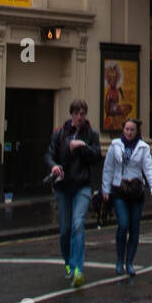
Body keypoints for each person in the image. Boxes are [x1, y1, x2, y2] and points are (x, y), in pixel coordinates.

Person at [46, 99, 101, 287]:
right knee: (65, 230)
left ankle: (78, 269)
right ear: (71, 114)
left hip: (82, 186)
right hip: (63, 187)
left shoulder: (91, 135)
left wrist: (82, 146)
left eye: (83, 113)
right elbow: (49, 155)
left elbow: (96, 157)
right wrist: (54, 166)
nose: (80, 117)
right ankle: (69, 265)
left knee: (78, 224)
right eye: (77, 113)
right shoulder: (60, 134)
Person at [101, 117, 152, 276]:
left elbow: (149, 169)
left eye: (132, 130)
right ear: (123, 130)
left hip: (136, 191)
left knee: (134, 229)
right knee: (123, 224)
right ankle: (120, 260)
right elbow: (108, 168)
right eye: (126, 129)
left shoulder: (143, 148)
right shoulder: (115, 146)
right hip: (119, 189)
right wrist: (105, 190)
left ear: (136, 131)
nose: (129, 132)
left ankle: (130, 262)